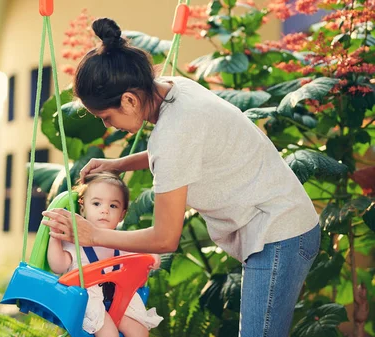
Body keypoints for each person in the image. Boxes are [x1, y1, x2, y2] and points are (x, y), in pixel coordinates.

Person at [42, 17, 321, 337]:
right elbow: (185, 152)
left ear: (129, 100)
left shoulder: (174, 134)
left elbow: (164, 238)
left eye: (107, 117)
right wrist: (120, 164)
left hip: (279, 233)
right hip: (282, 223)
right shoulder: (175, 90)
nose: (108, 125)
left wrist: (93, 234)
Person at [47, 171, 163, 337]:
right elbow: (58, 266)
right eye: (96, 204)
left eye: (113, 206)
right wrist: (55, 239)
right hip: (89, 300)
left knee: (140, 332)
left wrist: (152, 257)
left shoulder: (120, 241)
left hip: (119, 299)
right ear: (83, 208)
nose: (105, 211)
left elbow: (141, 255)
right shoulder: (75, 241)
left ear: (122, 214)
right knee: (109, 334)